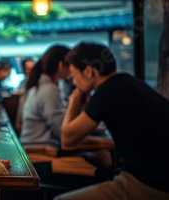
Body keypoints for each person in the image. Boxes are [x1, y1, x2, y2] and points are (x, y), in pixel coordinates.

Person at [56, 42, 169, 200]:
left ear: (88, 72)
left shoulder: (107, 92)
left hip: (148, 184)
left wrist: (74, 99)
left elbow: (67, 139)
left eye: (74, 76)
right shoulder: (126, 82)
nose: (74, 82)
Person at [19, 45, 71, 148]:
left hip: (30, 146)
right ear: (61, 65)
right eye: (71, 65)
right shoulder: (50, 89)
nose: (73, 70)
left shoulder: (39, 86)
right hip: (41, 151)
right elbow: (62, 132)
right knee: (102, 156)